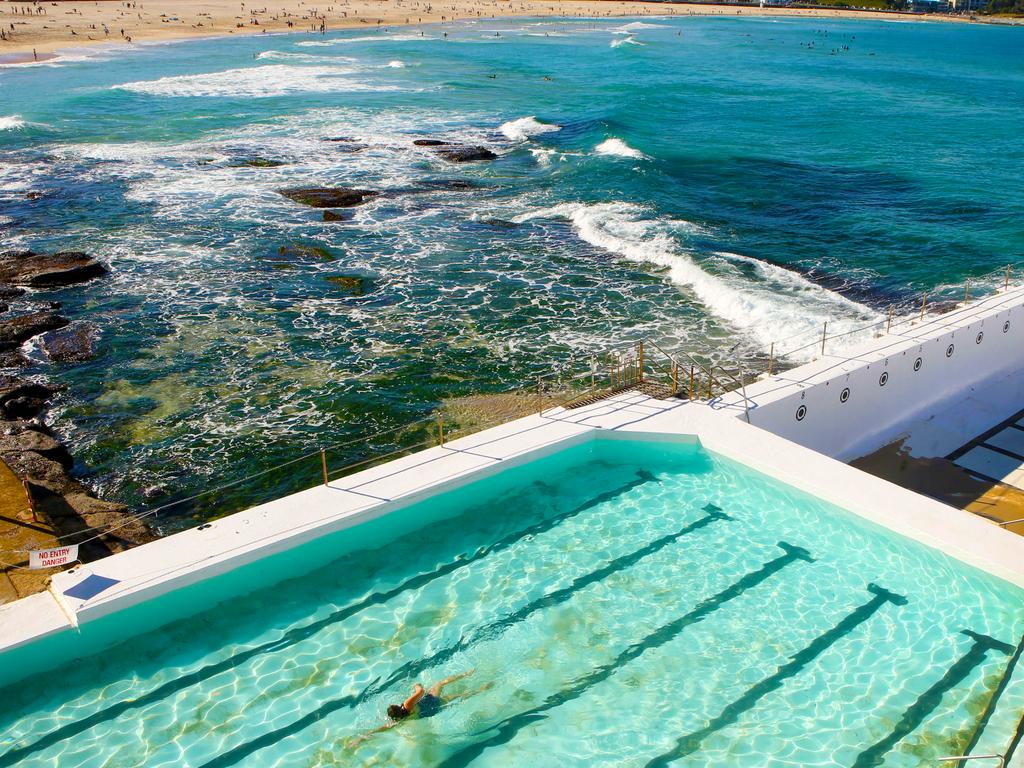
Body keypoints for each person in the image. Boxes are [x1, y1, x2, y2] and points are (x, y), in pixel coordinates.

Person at [351, 670, 478, 748]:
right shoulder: (406, 705)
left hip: (432, 711)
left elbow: (381, 728)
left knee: (457, 697)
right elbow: (421, 691)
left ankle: (480, 690)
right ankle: (466, 674)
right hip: (431, 701)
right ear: (397, 707)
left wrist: (361, 738)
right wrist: (416, 685)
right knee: (439, 683)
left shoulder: (399, 720)